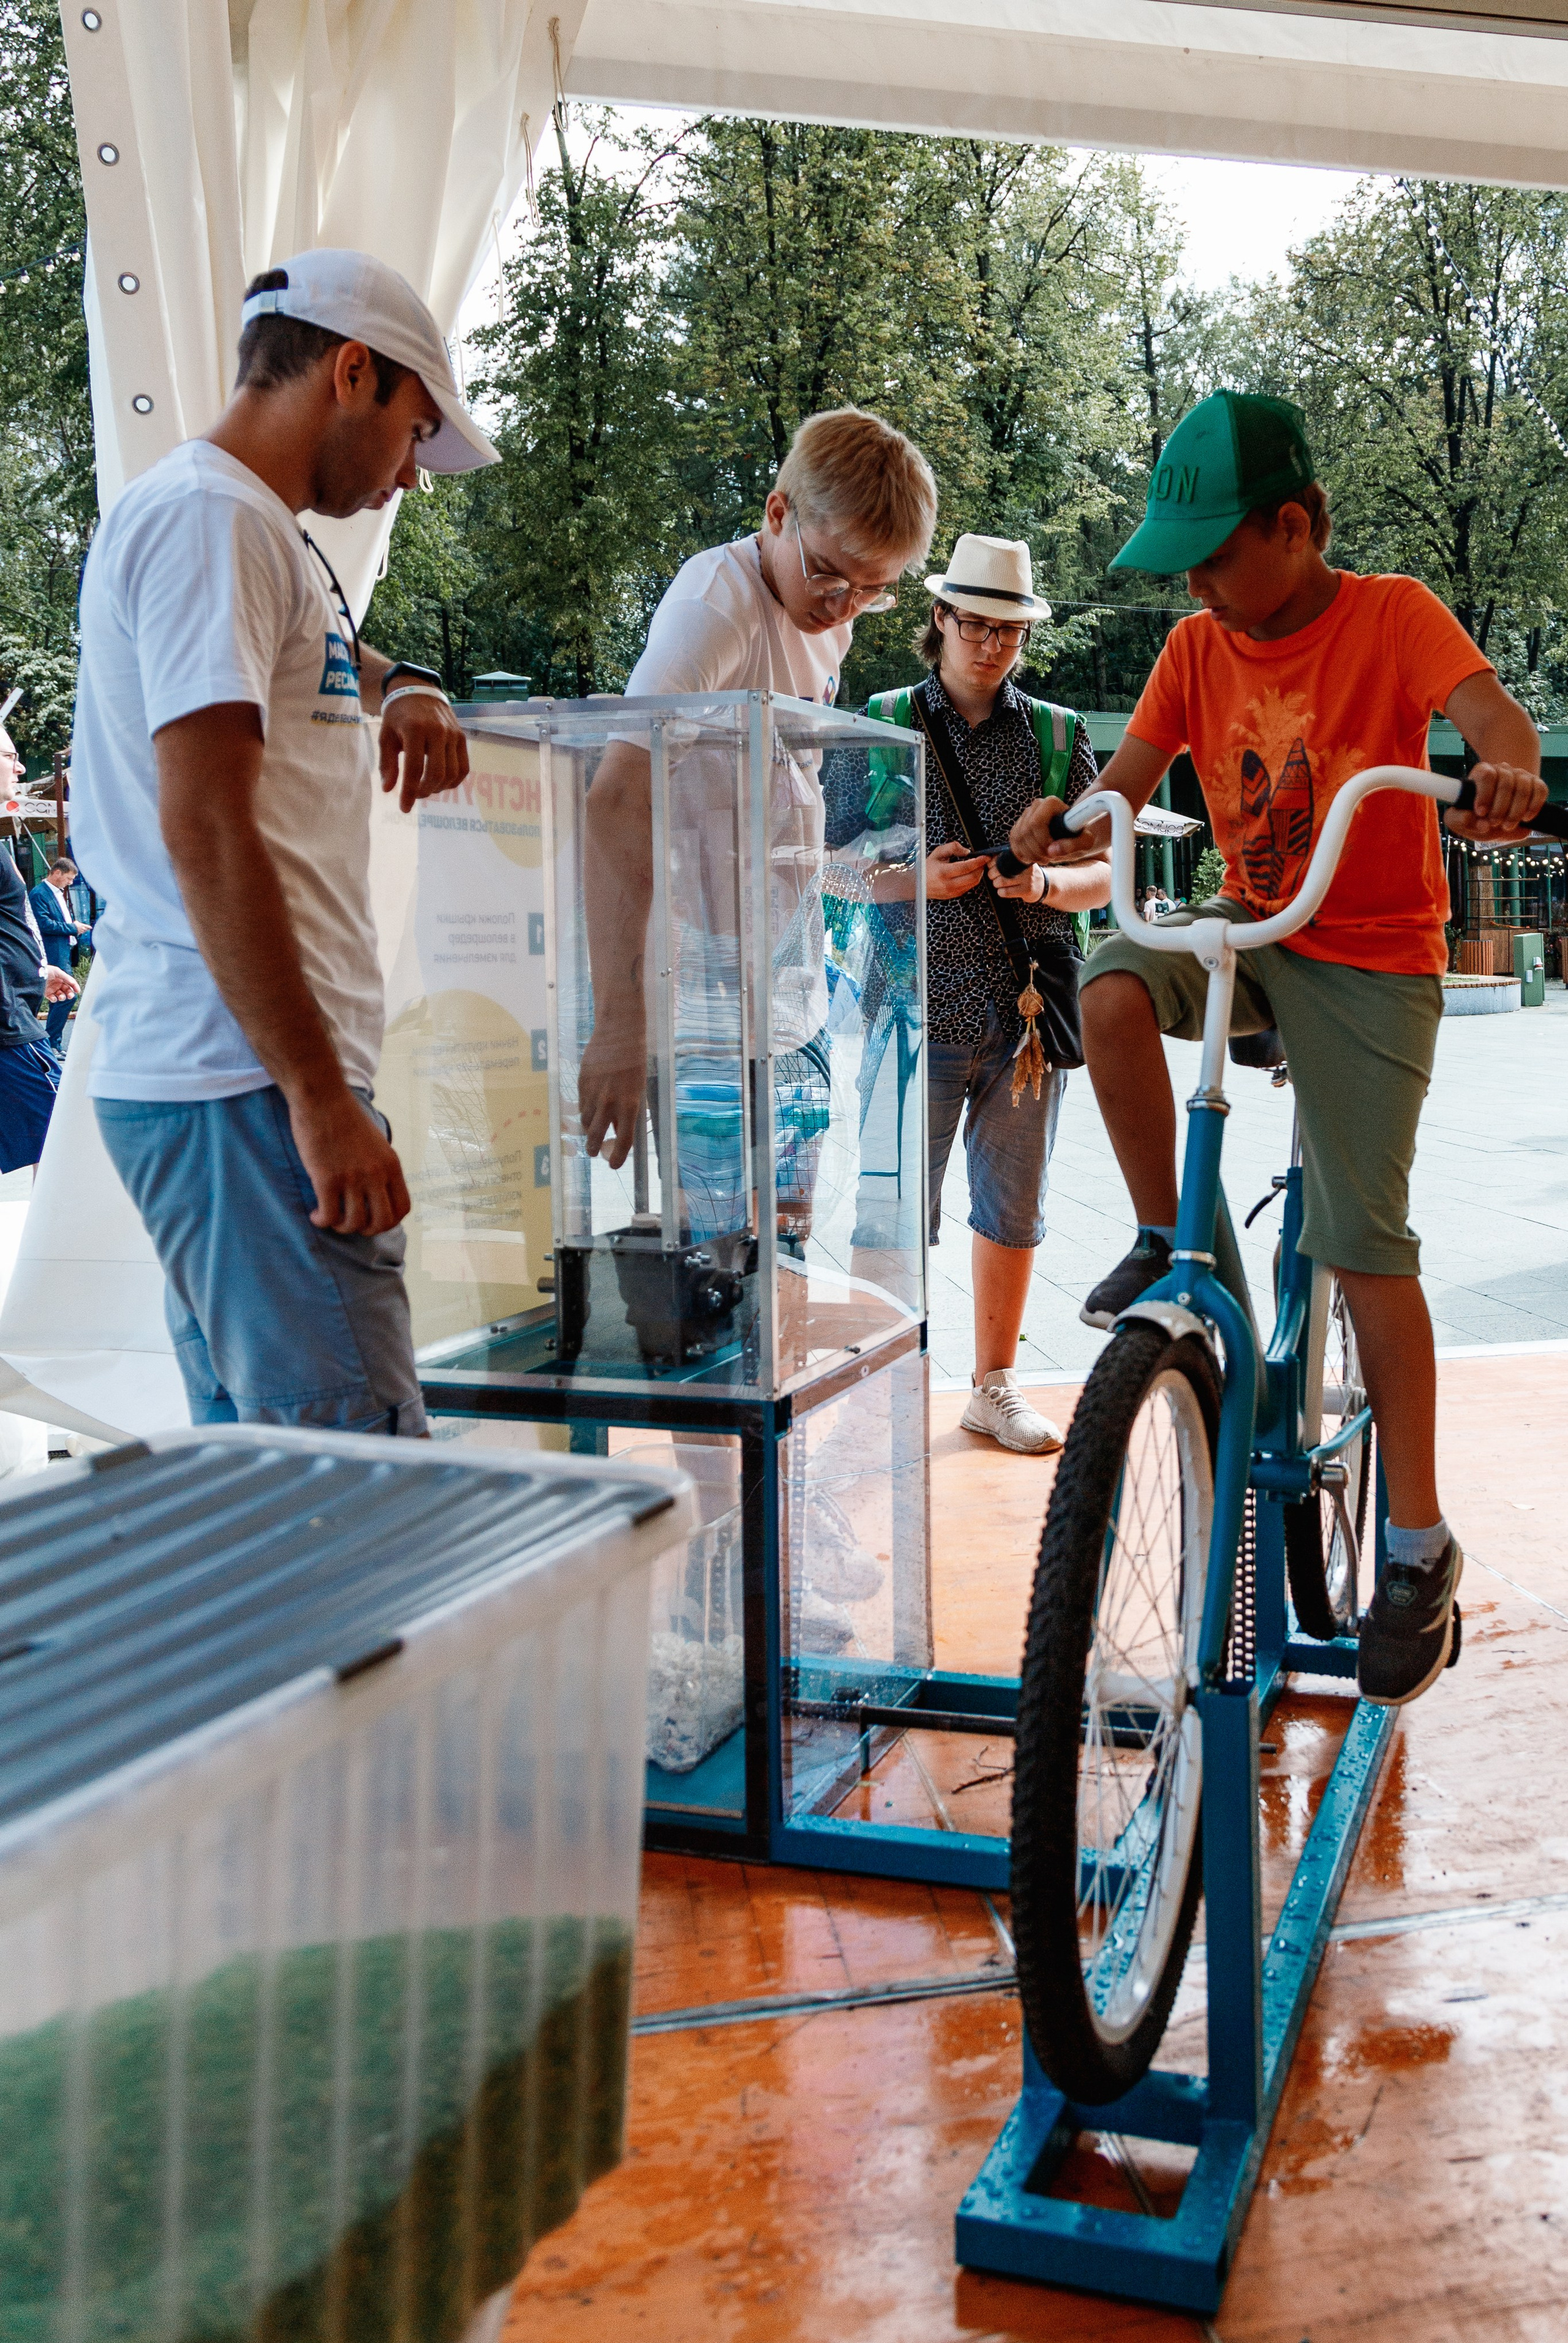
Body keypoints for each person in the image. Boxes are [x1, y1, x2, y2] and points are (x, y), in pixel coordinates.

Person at [1010, 389, 1547, 1707]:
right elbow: (1125, 779)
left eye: (1211, 551)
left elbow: (1496, 725)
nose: (1192, 580)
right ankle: (1167, 1243)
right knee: (1117, 982)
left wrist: (1502, 776)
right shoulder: (1195, 648)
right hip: (1253, 928)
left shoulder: (1393, 613)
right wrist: (1078, 820)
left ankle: (1415, 1548)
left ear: (1295, 527)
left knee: (1363, 1243)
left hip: (1365, 952)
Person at [70, 249, 496, 1432]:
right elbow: (206, 823)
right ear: (351, 371)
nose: (414, 476)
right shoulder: (216, 522)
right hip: (247, 1082)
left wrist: (402, 679)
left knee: (275, 1503)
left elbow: (303, 658)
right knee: (358, 1505)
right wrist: (318, 1098)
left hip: (228, 1079)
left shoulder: (237, 524)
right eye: (415, 433)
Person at [576, 407, 937, 1648]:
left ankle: (771, 1520)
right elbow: (615, 789)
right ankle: (723, 1564)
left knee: (777, 1274)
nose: (843, 608)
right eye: (829, 574)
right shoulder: (717, 602)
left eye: (874, 591)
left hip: (785, 996)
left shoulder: (810, 620)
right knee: (711, 1293)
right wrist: (621, 1024)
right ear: (775, 515)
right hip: (701, 1006)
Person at [864, 535, 1110, 1454]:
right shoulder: (882, 722)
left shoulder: (1057, 733)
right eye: (974, 623)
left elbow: (1103, 873)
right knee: (890, 1211)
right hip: (905, 1010)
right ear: (939, 619)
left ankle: (993, 1386)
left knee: (1013, 1210)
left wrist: (1043, 887)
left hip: (1026, 1018)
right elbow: (822, 864)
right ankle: (880, 1385)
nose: (990, 644)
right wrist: (910, 878)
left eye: (1007, 629)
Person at [0, 751, 77, 1174]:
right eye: (10, 755)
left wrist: (36, 972)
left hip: (12, 1021)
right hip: (10, 1031)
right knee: (64, 1147)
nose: (20, 767)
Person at [29, 858, 90, 1047]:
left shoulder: (55, 893)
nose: (71, 883)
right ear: (57, 873)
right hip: (53, 952)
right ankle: (50, 1041)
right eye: (69, 879)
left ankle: (51, 1042)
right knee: (69, 995)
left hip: (63, 949)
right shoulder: (40, 894)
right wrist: (73, 928)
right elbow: (44, 924)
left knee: (63, 997)